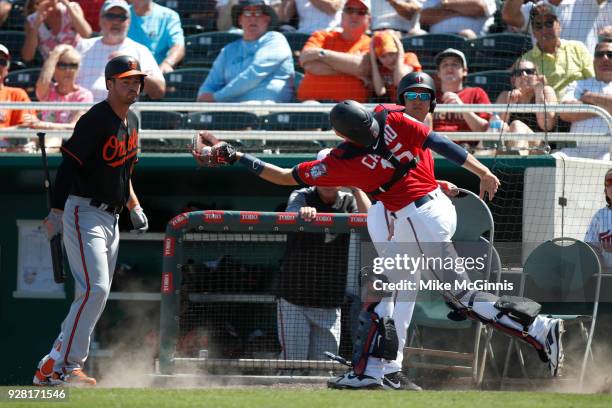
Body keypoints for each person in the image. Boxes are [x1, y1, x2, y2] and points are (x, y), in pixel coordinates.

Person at [190, 75, 565, 390]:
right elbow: (438, 143)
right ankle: (379, 370)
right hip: (427, 208)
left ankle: (540, 326)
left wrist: (235, 156)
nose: (372, 134)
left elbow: (284, 176)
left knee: (462, 297)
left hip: (419, 219)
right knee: (393, 289)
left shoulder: (348, 157)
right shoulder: (390, 118)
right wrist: (480, 170)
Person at [33, 55, 149, 386]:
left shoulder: (134, 120)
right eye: (125, 80)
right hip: (84, 210)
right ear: (109, 83)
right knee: (94, 289)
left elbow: (124, 170)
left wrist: (133, 204)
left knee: (95, 294)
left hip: (111, 216)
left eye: (136, 80)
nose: (133, 85)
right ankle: (66, 368)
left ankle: (51, 363)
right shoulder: (95, 119)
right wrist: (56, 212)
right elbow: (68, 167)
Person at [276, 148, 371, 369]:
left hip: (330, 300)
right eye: (324, 174)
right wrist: (301, 214)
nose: (328, 180)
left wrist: (355, 185)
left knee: (323, 369)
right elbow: (289, 216)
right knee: (293, 366)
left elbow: (369, 218)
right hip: (294, 297)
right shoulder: (302, 195)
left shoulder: (349, 200)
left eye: (336, 174)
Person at [197, 0, 294, 103]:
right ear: (240, 20)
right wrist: (202, 100)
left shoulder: (275, 40)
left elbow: (254, 74)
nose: (252, 18)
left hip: (267, 110)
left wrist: (217, 97)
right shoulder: (228, 50)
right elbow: (209, 85)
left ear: (267, 19)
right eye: (247, 13)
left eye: (258, 13)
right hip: (230, 111)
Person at [76, 0, 165, 102]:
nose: (116, 21)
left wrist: (132, 68)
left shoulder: (139, 50)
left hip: (122, 115)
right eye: (110, 16)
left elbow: (159, 91)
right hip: (83, 113)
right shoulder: (83, 46)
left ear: (129, 22)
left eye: (122, 17)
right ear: (100, 20)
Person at [296, 0, 371, 102]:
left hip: (350, 110)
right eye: (349, 10)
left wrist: (322, 54)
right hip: (311, 105)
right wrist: (351, 70)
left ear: (369, 20)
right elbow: (305, 60)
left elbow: (362, 67)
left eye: (361, 12)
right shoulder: (322, 35)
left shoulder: (371, 43)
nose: (354, 15)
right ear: (341, 16)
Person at [519, 2, 594, 97]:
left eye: (549, 23)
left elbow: (593, 81)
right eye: (539, 26)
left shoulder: (578, 48)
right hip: (547, 108)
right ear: (533, 32)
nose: (544, 29)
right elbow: (524, 94)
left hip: (579, 105)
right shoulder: (526, 60)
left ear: (558, 25)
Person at [559, 41, 612, 160]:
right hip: (578, 151)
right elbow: (565, 112)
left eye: (610, 54)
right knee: (554, 160)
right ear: (593, 61)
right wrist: (606, 108)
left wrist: (590, 97)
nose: (605, 58)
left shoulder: (585, 91)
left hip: (609, 151)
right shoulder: (579, 84)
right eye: (599, 54)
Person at [432, 48, 490, 149]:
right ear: (438, 73)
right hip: (433, 149)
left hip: (468, 151)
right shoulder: (429, 96)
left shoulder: (476, 93)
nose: (449, 68)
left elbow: (485, 130)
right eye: (445, 64)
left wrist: (462, 108)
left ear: (465, 71)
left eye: (455, 64)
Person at [502, 0, 609, 54]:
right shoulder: (535, 9)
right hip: (548, 80)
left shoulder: (588, 2)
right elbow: (509, 16)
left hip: (584, 79)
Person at [495, 59, 557, 152]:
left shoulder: (546, 91)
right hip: (509, 145)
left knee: (517, 125)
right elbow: (496, 129)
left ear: (537, 76)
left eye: (529, 72)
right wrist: (510, 105)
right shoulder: (505, 96)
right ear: (513, 80)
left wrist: (539, 92)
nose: (524, 75)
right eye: (518, 73)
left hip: (541, 147)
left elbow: (547, 126)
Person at [34, 44, 93, 131]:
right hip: (46, 139)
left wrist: (45, 125)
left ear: (78, 69)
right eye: (62, 65)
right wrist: (55, 53)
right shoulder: (49, 91)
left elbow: (76, 126)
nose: (68, 70)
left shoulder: (84, 95)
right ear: (54, 68)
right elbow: (43, 81)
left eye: (73, 66)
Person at [22, 0, 92, 63]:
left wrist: (68, 6)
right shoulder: (32, 20)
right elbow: (27, 57)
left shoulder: (72, 7)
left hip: (81, 61)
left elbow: (86, 34)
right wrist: (37, 24)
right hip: (54, 69)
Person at [128, 0, 185, 74]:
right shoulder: (119, 13)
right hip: (125, 75)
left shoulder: (169, 16)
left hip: (156, 74)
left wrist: (167, 64)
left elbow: (178, 46)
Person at [369, 30, 421, 104]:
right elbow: (380, 91)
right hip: (396, 108)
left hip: (416, 104)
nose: (389, 60)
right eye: (383, 56)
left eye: (391, 54)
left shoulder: (410, 57)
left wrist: (400, 53)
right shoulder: (382, 68)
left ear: (398, 51)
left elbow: (399, 81)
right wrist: (373, 60)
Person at [0, 44, 38, 135]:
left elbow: (25, 128)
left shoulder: (17, 95)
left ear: (7, 68)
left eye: (1, 62)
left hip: (9, 147)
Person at [420, 0, 497, 39]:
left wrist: (445, 4)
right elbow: (424, 17)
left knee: (466, 34)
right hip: (438, 41)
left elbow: (478, 8)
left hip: (474, 43)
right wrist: (463, 11)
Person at [585, 168, 612, 270]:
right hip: (606, 277)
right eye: (609, 182)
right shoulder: (600, 216)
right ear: (605, 190)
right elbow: (590, 248)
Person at [278, 0, 343, 34]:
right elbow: (284, 18)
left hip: (328, 33)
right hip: (303, 35)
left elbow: (332, 8)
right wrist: (284, 2)